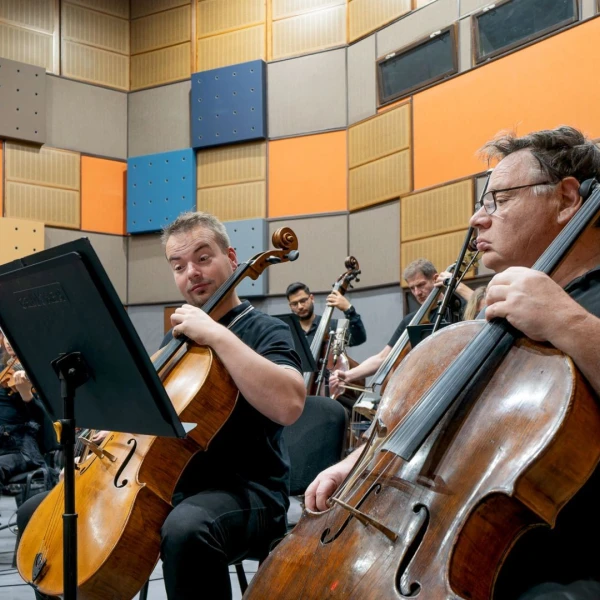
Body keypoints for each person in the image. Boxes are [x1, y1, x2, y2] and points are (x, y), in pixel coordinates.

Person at [305, 126, 600, 600]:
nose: (476, 218)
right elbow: (451, 417)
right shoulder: (505, 310)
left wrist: (565, 320)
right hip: (465, 539)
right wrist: (360, 463)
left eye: (498, 200)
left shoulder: (567, 307)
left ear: (567, 199)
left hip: (563, 562)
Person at [17, 211, 306, 600]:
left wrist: (217, 335)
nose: (192, 272)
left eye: (203, 258)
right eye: (179, 265)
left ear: (231, 258)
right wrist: (113, 431)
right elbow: (151, 413)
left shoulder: (266, 330)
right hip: (166, 484)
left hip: (248, 490)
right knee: (38, 514)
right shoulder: (176, 341)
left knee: (186, 528)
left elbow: (290, 404)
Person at [329, 258, 472, 396]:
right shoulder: (411, 320)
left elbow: (482, 306)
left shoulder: (459, 308)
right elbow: (383, 357)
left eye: (421, 285)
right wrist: (348, 375)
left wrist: (458, 286)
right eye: (412, 288)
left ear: (435, 279)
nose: (417, 292)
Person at [0, 331, 47, 493]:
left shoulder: (34, 370)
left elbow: (43, 418)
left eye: (11, 335)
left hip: (20, 448)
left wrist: (26, 393)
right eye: (5, 336)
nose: (8, 341)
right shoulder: (4, 368)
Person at [286, 282, 367, 347]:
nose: (300, 307)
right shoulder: (287, 331)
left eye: (303, 301)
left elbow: (358, 339)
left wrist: (349, 310)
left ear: (312, 298)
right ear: (290, 306)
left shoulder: (332, 326)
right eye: (294, 304)